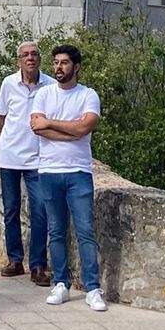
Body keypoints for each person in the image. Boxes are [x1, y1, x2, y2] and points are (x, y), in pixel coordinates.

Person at [32, 44, 106, 312]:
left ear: (76, 66)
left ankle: (93, 287)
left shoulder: (88, 95)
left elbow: (86, 126)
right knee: (56, 230)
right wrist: (71, 131)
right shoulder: (43, 94)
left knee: (85, 230)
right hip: (49, 170)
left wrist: (52, 123)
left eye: (64, 63)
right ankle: (60, 282)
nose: (58, 67)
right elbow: (36, 127)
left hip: (78, 171)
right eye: (56, 62)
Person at [0, 41, 54, 284]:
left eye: (34, 54)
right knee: (11, 210)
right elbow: (0, 117)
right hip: (9, 157)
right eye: (25, 55)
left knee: (40, 210)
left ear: (40, 58)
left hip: (38, 158)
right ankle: (15, 260)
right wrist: (8, 141)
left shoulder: (50, 85)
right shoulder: (9, 83)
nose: (30, 58)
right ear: (19, 60)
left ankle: (38, 265)